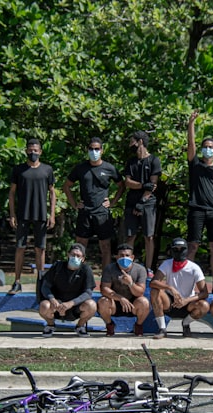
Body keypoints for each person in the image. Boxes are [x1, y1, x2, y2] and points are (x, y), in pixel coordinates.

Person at [63, 137, 125, 268]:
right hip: (85, 212)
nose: (94, 151)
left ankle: (105, 280)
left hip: (102, 212)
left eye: (97, 149)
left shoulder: (109, 168)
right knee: (80, 246)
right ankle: (77, 275)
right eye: (91, 149)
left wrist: (113, 202)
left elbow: (121, 185)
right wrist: (74, 204)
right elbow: (66, 186)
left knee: (105, 246)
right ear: (87, 150)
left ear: (102, 150)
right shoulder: (80, 168)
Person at [186, 111, 213, 294]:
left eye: (211, 147)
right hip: (196, 210)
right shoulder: (195, 165)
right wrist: (191, 124)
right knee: (193, 246)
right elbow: (191, 145)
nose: (208, 149)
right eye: (205, 146)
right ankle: (188, 283)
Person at [7, 138, 56, 295]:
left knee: (40, 248)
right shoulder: (18, 170)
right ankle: (17, 282)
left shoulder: (47, 170)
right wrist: (12, 214)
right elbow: (12, 193)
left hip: (41, 214)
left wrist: (52, 214)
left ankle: (41, 282)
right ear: (26, 151)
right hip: (22, 214)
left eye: (35, 150)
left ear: (40, 152)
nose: (33, 153)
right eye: (30, 150)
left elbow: (52, 193)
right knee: (20, 247)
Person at [150, 237, 210, 339]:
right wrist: (170, 287)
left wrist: (186, 300)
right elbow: (153, 282)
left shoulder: (194, 268)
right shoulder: (167, 264)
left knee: (204, 305)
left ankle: (186, 324)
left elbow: (204, 293)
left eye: (182, 249)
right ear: (171, 250)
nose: (179, 252)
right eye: (175, 249)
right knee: (155, 291)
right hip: (170, 302)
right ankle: (162, 329)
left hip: (188, 304)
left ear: (186, 250)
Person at [37, 243, 97, 338]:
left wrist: (71, 303)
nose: (75, 257)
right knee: (44, 305)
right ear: (68, 255)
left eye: (78, 256)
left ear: (83, 258)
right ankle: (50, 325)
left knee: (92, 305)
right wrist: (52, 299)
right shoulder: (58, 266)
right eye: (73, 255)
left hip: (76, 305)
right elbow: (45, 286)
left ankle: (80, 326)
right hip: (56, 303)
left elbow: (88, 292)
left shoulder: (86, 270)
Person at [123, 131, 162, 274]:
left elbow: (152, 186)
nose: (130, 145)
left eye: (132, 141)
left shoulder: (154, 160)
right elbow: (128, 182)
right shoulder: (131, 162)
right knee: (130, 235)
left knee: (149, 236)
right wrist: (142, 185)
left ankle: (148, 268)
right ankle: (127, 265)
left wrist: (142, 201)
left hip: (148, 204)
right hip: (131, 202)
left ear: (140, 142)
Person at [97, 243, 150, 337]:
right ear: (117, 257)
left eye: (127, 255)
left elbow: (140, 292)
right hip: (114, 302)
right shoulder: (109, 268)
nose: (124, 257)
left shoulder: (140, 269)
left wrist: (130, 283)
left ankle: (138, 325)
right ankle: (109, 325)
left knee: (144, 302)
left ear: (132, 257)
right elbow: (104, 289)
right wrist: (120, 298)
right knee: (103, 301)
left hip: (133, 304)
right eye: (121, 255)